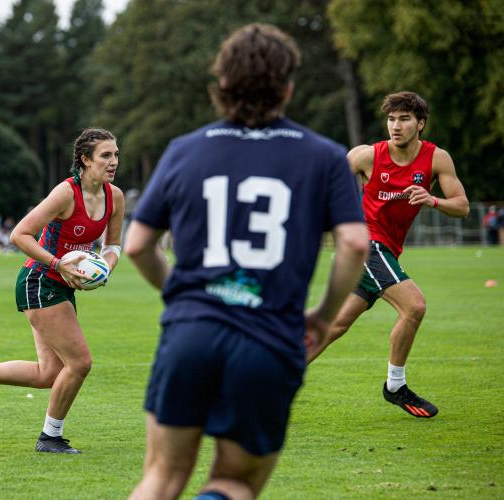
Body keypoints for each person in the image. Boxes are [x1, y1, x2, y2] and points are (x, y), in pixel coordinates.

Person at [124, 24, 368, 500]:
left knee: (162, 478)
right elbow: (356, 244)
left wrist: (183, 294)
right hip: (267, 341)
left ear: (222, 84)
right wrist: (322, 315)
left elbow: (136, 245)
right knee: (233, 482)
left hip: (190, 334)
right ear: (288, 87)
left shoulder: (184, 150)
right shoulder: (324, 156)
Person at [0, 128, 125, 454]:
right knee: (79, 363)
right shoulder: (66, 194)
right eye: (105, 155)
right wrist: (58, 263)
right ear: (84, 159)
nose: (113, 162)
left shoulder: (115, 197)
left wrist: (104, 267)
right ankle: (50, 437)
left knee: (48, 374)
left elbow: (113, 245)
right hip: (39, 280)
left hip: (60, 285)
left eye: (116, 155)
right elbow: (19, 235)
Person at [308, 91, 470, 419]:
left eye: (404, 119)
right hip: (364, 243)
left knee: (335, 324)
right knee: (415, 306)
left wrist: (432, 200)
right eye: (391, 119)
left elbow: (463, 207)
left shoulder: (437, 159)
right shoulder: (367, 156)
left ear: (420, 124)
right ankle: (395, 386)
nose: (395, 126)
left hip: (386, 251)